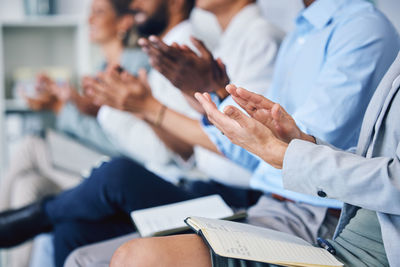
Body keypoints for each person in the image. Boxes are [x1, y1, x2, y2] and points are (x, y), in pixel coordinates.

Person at [0, 0, 398, 265]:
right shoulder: (298, 34)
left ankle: (31, 219)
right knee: (78, 242)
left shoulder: (358, 28)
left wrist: (152, 108)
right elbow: (273, 151)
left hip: (300, 208)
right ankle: (33, 219)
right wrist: (207, 106)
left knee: (115, 181)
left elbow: (284, 157)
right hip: (270, 198)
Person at [110, 50, 400, 267]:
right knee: (113, 249)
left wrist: (284, 154)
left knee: (131, 242)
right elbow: (375, 162)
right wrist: (300, 141)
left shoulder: (360, 31)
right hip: (324, 227)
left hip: (320, 220)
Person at [0, 0, 149, 266]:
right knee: (28, 186)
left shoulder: (136, 65)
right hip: (91, 162)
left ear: (124, 22)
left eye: (99, 12)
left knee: (31, 145)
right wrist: (64, 105)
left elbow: (124, 142)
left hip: (116, 169)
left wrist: (62, 109)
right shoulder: (100, 67)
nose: (89, 19)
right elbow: (87, 131)